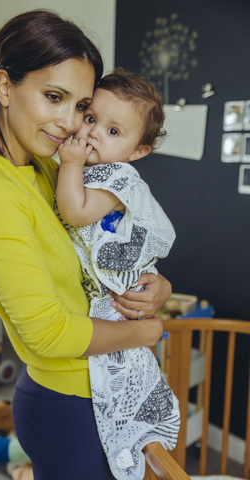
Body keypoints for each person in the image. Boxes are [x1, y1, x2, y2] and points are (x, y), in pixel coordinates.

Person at [0, 10, 172, 480]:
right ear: (5, 86)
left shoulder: (45, 165)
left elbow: (94, 257)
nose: (72, 124)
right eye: (55, 97)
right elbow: (48, 333)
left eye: (80, 106)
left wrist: (157, 287)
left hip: (98, 388)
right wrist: (147, 332)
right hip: (69, 401)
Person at [55, 69, 179, 479]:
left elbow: (74, 211)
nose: (93, 134)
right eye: (90, 118)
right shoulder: (89, 168)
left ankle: (137, 437)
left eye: (112, 130)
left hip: (122, 301)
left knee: (125, 375)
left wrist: (69, 161)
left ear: (137, 151)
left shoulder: (118, 176)